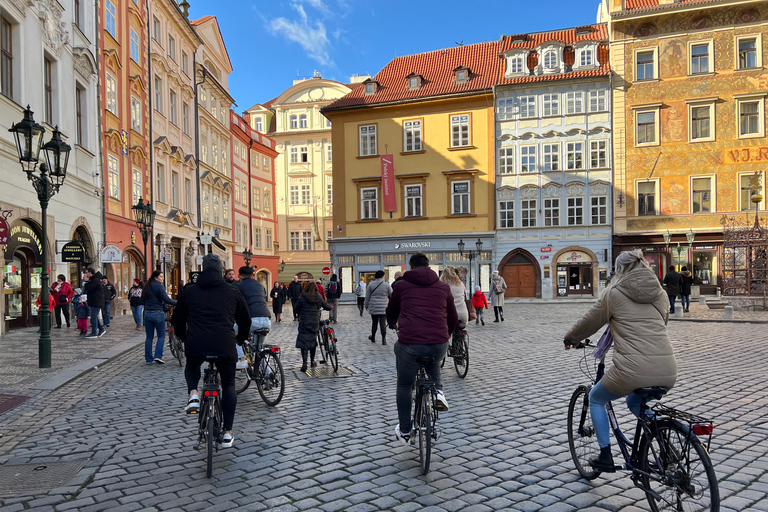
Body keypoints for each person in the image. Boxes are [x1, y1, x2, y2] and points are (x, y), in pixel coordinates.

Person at [563, 249, 677, 472]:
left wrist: (571, 338)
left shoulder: (614, 292)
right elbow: (660, 324)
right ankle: (665, 447)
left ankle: (605, 455)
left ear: (620, 270)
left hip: (632, 369)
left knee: (596, 398)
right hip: (667, 369)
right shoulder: (661, 294)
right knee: (635, 403)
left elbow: (591, 320)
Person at [172, 254, 251, 449]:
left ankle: (193, 394)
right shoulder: (232, 291)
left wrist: (185, 338)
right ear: (221, 270)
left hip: (197, 343)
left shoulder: (189, 291)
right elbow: (245, 320)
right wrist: (239, 339)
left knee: (193, 364)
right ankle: (227, 433)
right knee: (229, 385)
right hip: (224, 344)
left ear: (202, 268)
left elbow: (177, 320)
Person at [386, 253, 456, 444]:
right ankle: (438, 394)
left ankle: (406, 430)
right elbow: (453, 316)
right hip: (439, 342)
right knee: (433, 358)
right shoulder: (443, 287)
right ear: (429, 266)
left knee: (404, 385)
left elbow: (391, 311)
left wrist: (392, 324)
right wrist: (446, 335)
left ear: (411, 267)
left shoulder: (401, 286)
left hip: (411, 344)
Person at [235, 266, 271, 368]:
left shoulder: (239, 286)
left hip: (252, 319)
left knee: (233, 334)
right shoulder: (260, 285)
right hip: (266, 319)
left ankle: (242, 359)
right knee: (260, 349)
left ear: (239, 275)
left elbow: (236, 304)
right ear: (252, 275)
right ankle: (268, 373)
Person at [294, 281, 332, 371]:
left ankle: (304, 364)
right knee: (312, 341)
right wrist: (330, 307)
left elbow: (296, 309)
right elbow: (326, 306)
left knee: (304, 343)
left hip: (304, 322)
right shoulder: (318, 296)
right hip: (314, 323)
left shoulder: (303, 297)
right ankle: (312, 361)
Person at [143, 270, 177, 364]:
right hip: (157, 313)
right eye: (161, 276)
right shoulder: (159, 286)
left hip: (147, 313)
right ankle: (158, 356)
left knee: (149, 337)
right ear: (156, 277)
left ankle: (148, 359)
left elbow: (142, 300)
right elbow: (167, 300)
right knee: (161, 335)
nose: (163, 278)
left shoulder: (147, 286)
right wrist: (179, 302)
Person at [365, 270, 392, 345]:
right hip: (384, 307)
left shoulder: (371, 284)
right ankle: (384, 339)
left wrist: (366, 305)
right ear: (382, 276)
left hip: (374, 306)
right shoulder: (386, 285)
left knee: (374, 323)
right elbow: (392, 294)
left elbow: (367, 296)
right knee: (382, 324)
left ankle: (373, 337)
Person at [83, 268, 106, 338]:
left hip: (96, 301)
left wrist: (86, 281)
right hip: (94, 301)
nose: (86, 274)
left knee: (93, 317)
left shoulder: (95, 280)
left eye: (87, 272)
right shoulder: (94, 279)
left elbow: (89, 288)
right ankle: (101, 329)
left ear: (90, 273)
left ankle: (94, 332)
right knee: (95, 316)